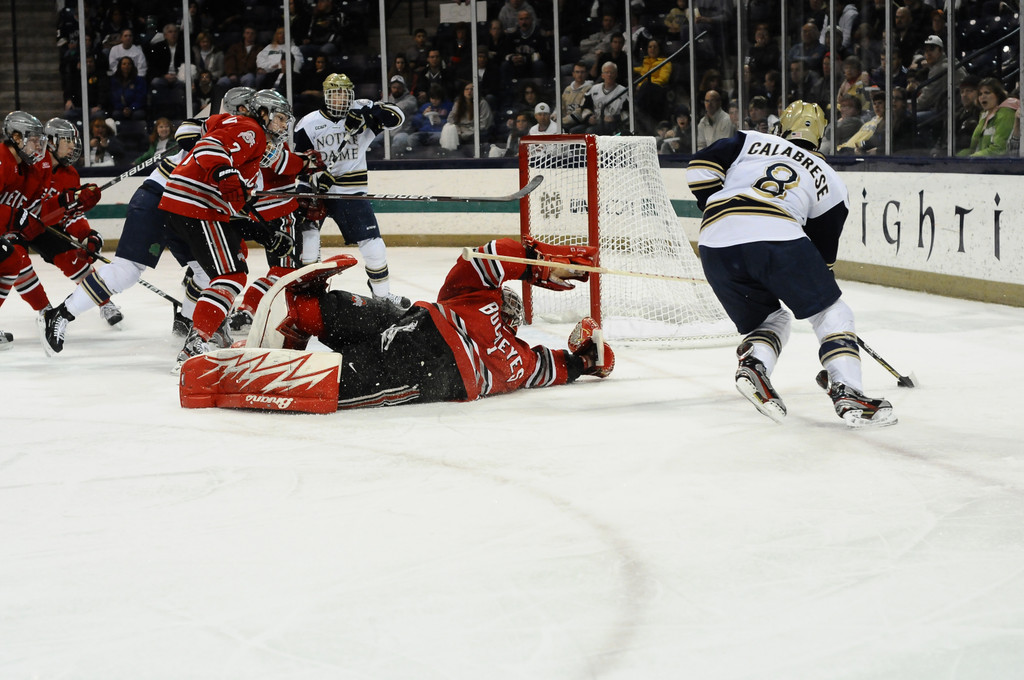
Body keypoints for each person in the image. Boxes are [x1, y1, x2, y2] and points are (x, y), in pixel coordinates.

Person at [180, 238, 615, 413]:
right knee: (387, 318)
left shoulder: (502, 332)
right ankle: (299, 319)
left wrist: (585, 359)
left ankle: (301, 318)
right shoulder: (504, 335)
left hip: (425, 352)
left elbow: (559, 365)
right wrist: (536, 261)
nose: (511, 312)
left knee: (385, 321)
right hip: (428, 363)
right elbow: (487, 258)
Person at [685, 100, 896, 427]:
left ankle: (755, 366)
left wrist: (724, 211)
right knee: (832, 312)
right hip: (776, 236)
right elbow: (823, 255)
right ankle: (848, 390)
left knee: (770, 320)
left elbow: (699, 168)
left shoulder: (749, 140)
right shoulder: (831, 179)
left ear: (781, 126)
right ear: (821, 137)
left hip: (714, 242)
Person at [41, 88, 260, 356]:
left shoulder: (251, 143)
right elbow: (187, 131)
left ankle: (189, 327)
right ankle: (61, 314)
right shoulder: (225, 127)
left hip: (191, 206)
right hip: (161, 194)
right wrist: (195, 133)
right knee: (127, 270)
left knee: (206, 271)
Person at [157, 89, 293, 370]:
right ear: (263, 113)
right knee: (230, 275)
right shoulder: (250, 129)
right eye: (279, 118)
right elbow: (209, 150)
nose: (282, 126)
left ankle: (211, 329)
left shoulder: (249, 146)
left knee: (229, 266)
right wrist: (225, 173)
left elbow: (238, 209)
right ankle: (197, 341)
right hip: (198, 204)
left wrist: (266, 234)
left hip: (189, 205)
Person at [294, 73, 410, 307]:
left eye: (344, 93)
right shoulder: (308, 123)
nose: (340, 99)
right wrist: (314, 179)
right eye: (335, 94)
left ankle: (382, 296)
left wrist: (366, 115)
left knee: (374, 245)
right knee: (308, 242)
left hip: (351, 190)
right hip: (317, 192)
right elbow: (298, 162)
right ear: (326, 96)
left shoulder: (361, 110)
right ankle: (309, 297)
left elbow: (397, 117)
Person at [0, 112, 55, 350]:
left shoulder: (21, 167)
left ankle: (46, 310)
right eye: (32, 140)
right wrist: (13, 216)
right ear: (15, 137)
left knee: (12, 260)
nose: (37, 146)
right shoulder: (2, 161)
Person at [957, 77, 1019, 157]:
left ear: (998, 95)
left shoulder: (1006, 113)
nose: (983, 97)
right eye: (980, 94)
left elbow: (1000, 149)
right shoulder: (984, 114)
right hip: (982, 163)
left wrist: (972, 158)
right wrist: (956, 157)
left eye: (987, 92)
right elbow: (973, 148)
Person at [147, 23, 187, 119]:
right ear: (165, 35)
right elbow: (153, 67)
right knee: (156, 82)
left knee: (182, 84)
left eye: (175, 32)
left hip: (179, 77)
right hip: (163, 77)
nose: (173, 34)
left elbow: (188, 64)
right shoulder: (158, 47)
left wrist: (178, 75)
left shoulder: (183, 47)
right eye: (170, 32)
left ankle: (179, 115)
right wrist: (164, 75)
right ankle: (161, 112)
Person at [441, 81, 495, 152]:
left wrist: (468, 133)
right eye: (467, 89)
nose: (469, 91)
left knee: (475, 138)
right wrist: (459, 131)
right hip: (461, 132)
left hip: (476, 132)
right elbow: (451, 120)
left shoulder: (482, 103)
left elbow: (484, 124)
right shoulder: (458, 103)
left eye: (472, 89)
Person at [582, 62, 628, 134]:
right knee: (575, 130)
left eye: (612, 72)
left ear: (616, 75)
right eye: (606, 72)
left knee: (590, 131)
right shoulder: (594, 89)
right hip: (596, 122)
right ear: (602, 75)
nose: (609, 75)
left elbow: (628, 113)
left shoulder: (623, 91)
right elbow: (585, 107)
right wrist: (589, 117)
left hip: (614, 124)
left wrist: (615, 118)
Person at [255, 26, 304, 91]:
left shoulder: (294, 48)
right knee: (260, 77)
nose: (282, 35)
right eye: (280, 33)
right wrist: (271, 67)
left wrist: (279, 67)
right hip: (269, 75)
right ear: (276, 35)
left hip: (286, 76)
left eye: (284, 33)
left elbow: (297, 63)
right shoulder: (269, 47)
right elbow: (260, 61)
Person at [109, 57, 147, 122]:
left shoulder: (139, 80)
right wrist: (122, 108)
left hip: (136, 109)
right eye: (124, 64)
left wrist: (131, 108)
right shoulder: (114, 81)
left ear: (132, 66)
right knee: (116, 114)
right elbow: (113, 97)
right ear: (120, 66)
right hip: (120, 109)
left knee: (138, 114)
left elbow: (141, 97)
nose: (126, 66)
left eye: (129, 64)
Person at [561, 62, 593, 133]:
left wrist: (561, 121)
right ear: (573, 74)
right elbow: (561, 106)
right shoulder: (567, 89)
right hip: (566, 120)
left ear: (586, 74)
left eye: (582, 72)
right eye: (577, 72)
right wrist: (555, 116)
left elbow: (580, 113)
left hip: (581, 121)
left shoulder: (590, 89)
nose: (579, 75)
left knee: (567, 129)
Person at [955, 75, 982, 153]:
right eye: (962, 91)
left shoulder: (981, 115)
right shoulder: (957, 115)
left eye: (969, 91)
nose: (964, 95)